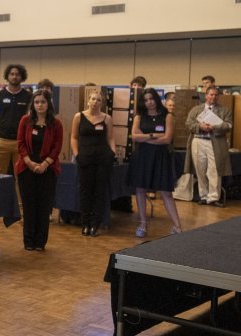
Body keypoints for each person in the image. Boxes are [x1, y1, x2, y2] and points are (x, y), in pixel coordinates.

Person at [127, 88, 182, 237]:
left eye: (151, 99)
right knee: (140, 190)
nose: (149, 102)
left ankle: (177, 227)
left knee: (166, 192)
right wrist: (153, 135)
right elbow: (134, 137)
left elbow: (166, 139)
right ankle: (143, 224)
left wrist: (144, 138)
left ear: (156, 99)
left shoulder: (167, 116)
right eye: (145, 100)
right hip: (142, 157)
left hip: (160, 157)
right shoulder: (139, 117)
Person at [15, 90, 62, 251]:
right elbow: (20, 143)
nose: (40, 105)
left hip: (47, 170)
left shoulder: (56, 124)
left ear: (48, 104)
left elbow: (57, 147)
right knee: (29, 206)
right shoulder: (25, 120)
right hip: (26, 168)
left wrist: (45, 164)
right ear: (32, 104)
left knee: (44, 206)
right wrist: (29, 162)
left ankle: (40, 242)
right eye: (37, 102)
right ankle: (28, 241)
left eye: (43, 102)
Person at [70, 90, 117, 236]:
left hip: (103, 158)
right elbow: (74, 138)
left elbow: (110, 138)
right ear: (88, 101)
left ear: (102, 103)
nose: (95, 102)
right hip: (85, 158)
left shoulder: (107, 118)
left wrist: (113, 153)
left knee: (99, 191)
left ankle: (95, 224)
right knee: (85, 191)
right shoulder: (79, 116)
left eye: (99, 100)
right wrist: (77, 154)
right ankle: (85, 223)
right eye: (93, 99)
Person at [0, 64, 30, 224]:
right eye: (12, 74)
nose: (14, 76)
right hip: (1, 142)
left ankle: (20, 212)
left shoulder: (28, 97)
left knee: (22, 178)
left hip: (21, 143)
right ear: (7, 76)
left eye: (17, 74)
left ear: (22, 76)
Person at [185, 85, 233, 207]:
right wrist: (200, 127)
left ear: (218, 97)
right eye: (211, 94)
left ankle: (213, 197)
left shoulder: (224, 110)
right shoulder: (196, 109)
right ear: (206, 96)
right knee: (200, 169)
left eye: (216, 95)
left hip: (215, 142)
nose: (214, 97)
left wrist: (214, 127)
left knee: (214, 170)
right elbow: (188, 124)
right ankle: (203, 196)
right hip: (198, 141)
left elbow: (229, 125)